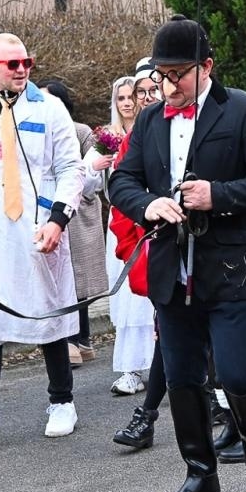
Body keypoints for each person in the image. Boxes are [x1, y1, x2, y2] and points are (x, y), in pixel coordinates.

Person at [108, 15, 246, 492]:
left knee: (235, 372)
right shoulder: (148, 122)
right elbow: (120, 182)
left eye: (177, 75)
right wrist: (148, 204)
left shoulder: (244, 111)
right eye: (160, 76)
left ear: (206, 66)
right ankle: (200, 474)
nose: (166, 87)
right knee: (184, 377)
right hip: (173, 271)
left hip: (234, 270)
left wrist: (219, 196)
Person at [0, 33, 86, 451]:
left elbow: (70, 168)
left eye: (27, 62)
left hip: (39, 228)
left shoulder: (50, 108)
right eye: (12, 64)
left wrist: (59, 219)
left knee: (48, 311)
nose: (21, 69)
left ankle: (62, 401)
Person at [42, 79, 106, 370]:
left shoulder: (80, 132)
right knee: (58, 277)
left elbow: (93, 176)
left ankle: (79, 339)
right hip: (49, 210)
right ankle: (72, 340)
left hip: (78, 211)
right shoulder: (36, 131)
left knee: (78, 277)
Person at [102, 75, 156, 395]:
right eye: (140, 93)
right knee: (129, 297)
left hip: (156, 221)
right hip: (127, 220)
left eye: (151, 91)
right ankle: (132, 367)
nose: (141, 98)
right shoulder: (114, 137)